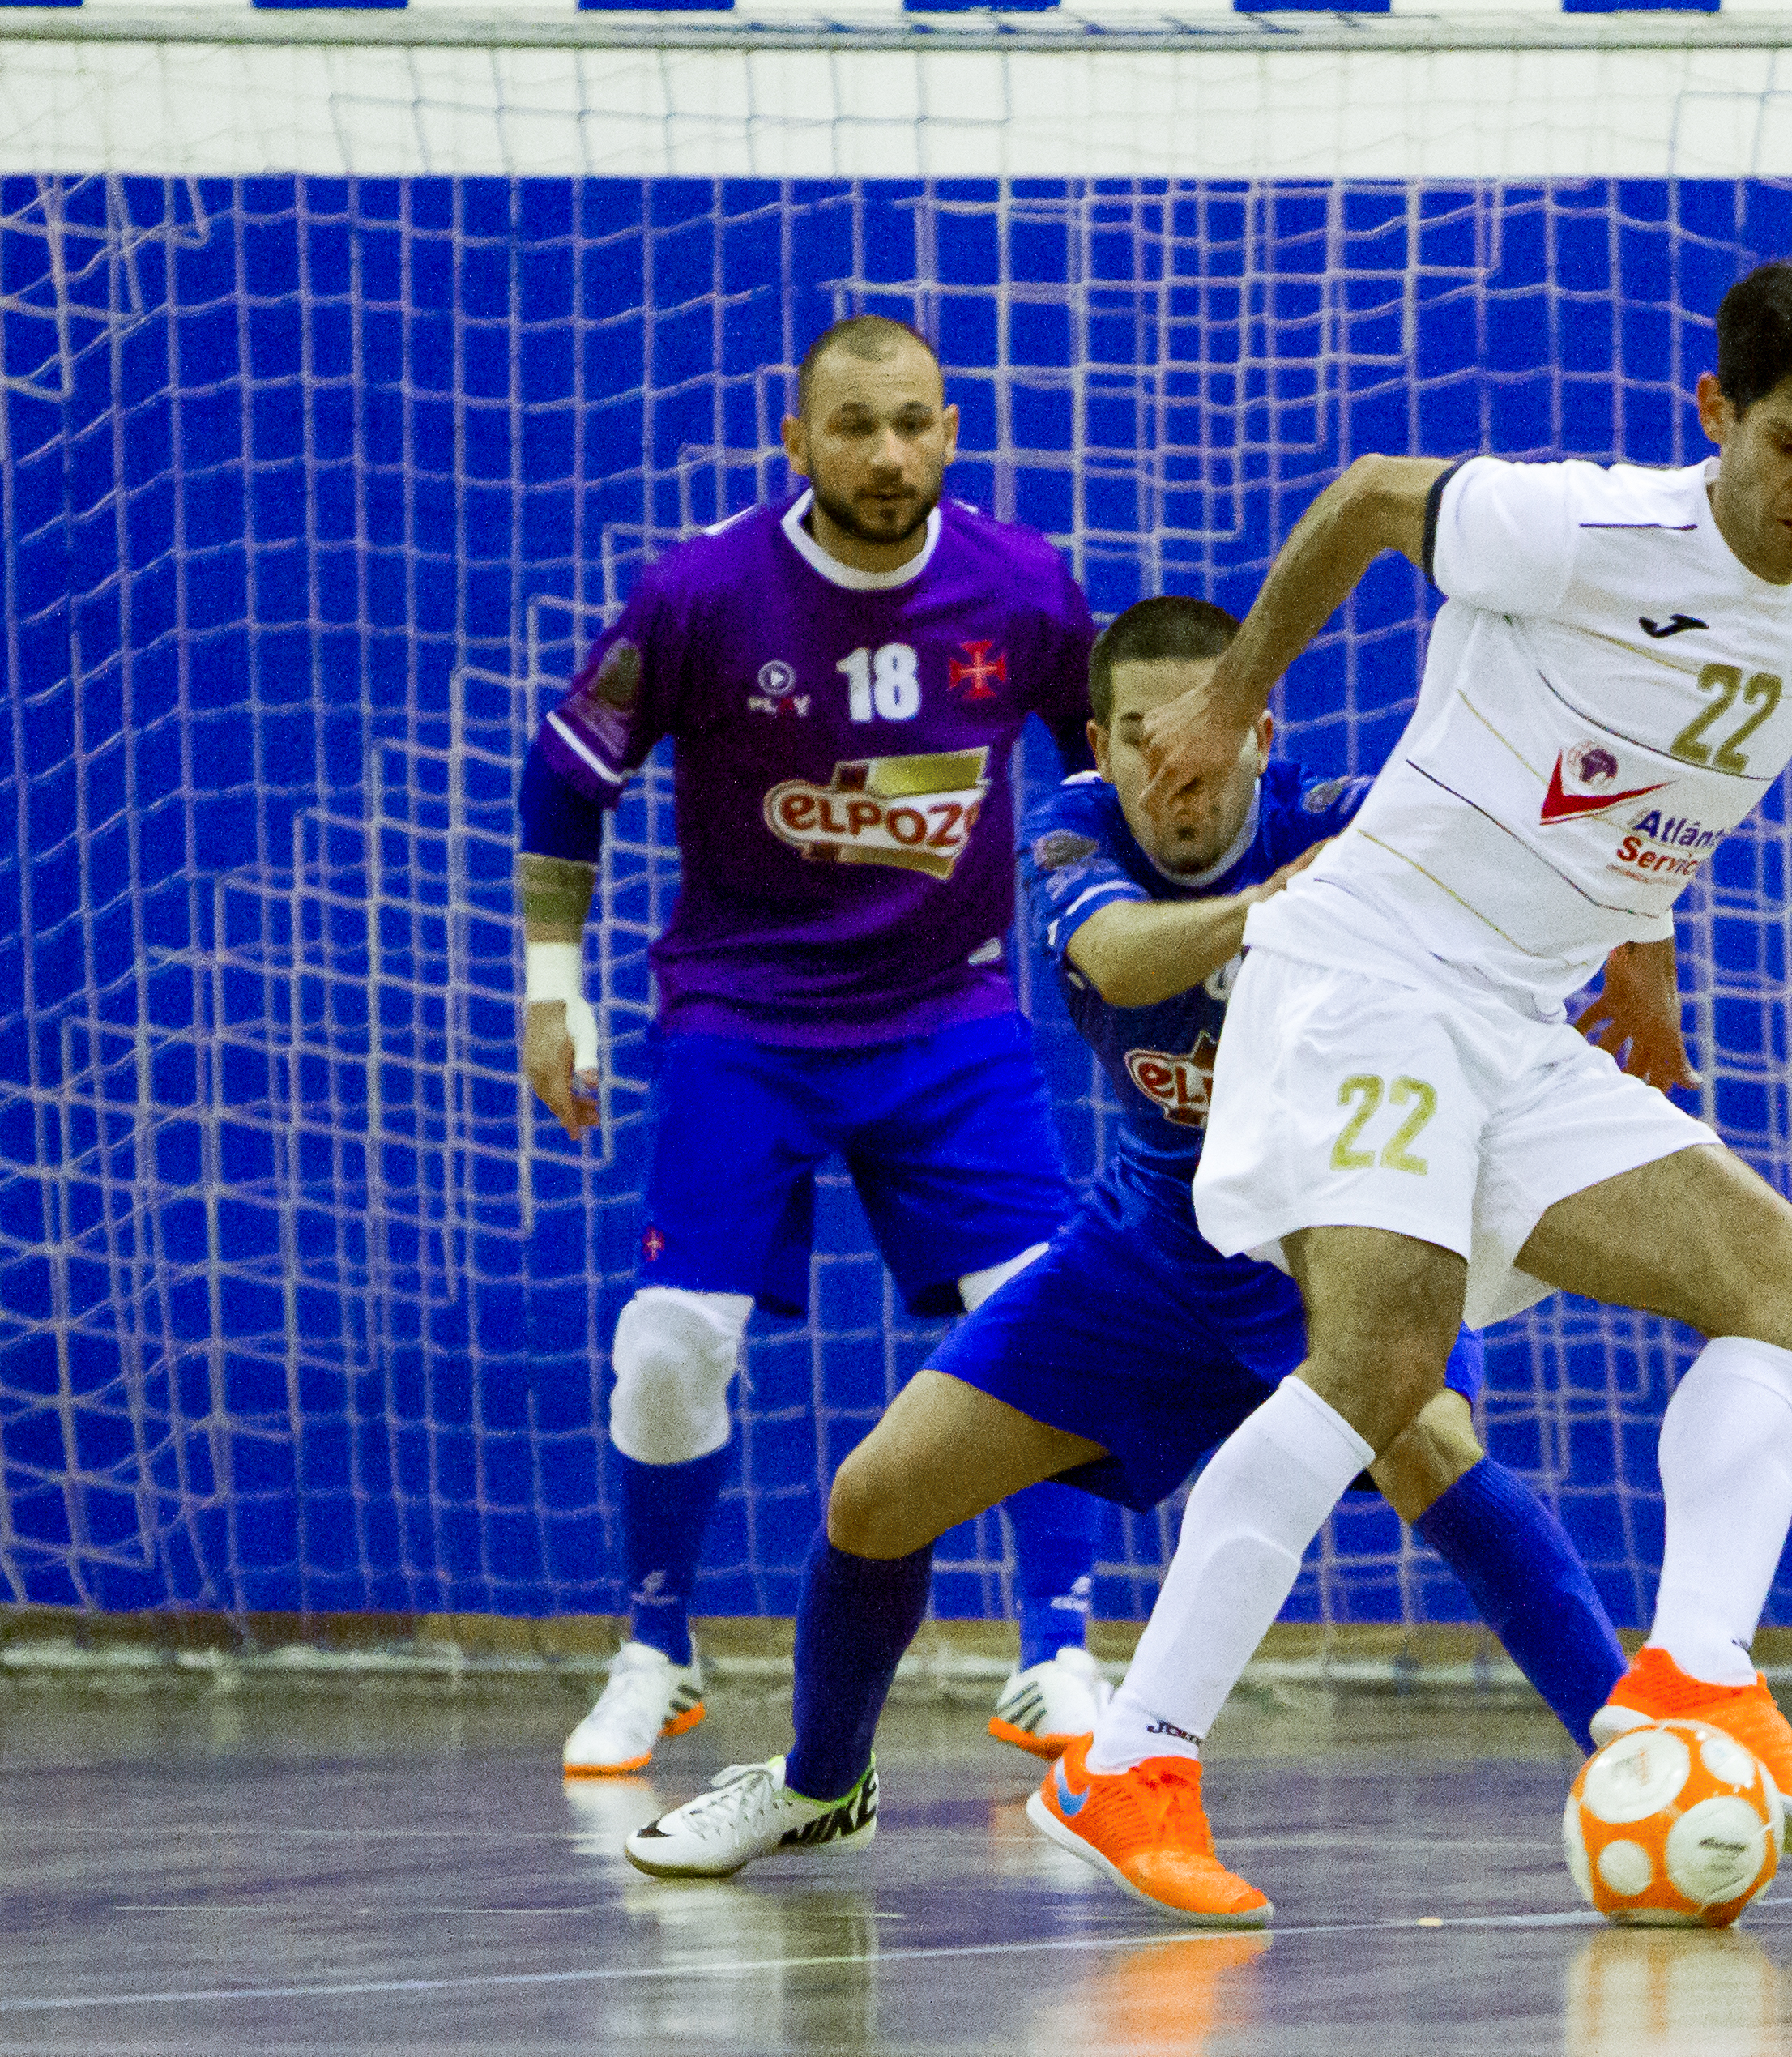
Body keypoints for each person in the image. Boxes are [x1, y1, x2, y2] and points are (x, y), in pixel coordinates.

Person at [1030, 255, 1792, 1923]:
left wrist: (1643, 950)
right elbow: (1370, 498)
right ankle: (1131, 1750)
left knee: (1789, 1290)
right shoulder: (1576, 527)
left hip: (1514, 1013)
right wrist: (1226, 704)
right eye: (1790, 446)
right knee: (1379, 1361)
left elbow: (1676, 768)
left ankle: (1697, 1677)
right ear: (1718, 412)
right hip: (1369, 973)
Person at [616, 595, 1649, 1900]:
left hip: (1330, 1252)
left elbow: (1558, 850)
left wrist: (1627, 950)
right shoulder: (1075, 837)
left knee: (1430, 1446)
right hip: (1146, 1259)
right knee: (871, 1501)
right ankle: (822, 1786)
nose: (1178, 775)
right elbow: (1117, 952)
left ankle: (1637, 1751)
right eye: (1142, 744)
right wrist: (1272, 914)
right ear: (1096, 749)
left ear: (1261, 733)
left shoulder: (1354, 823)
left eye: (1208, 739)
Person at [521, 314, 1116, 1776]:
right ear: (796, 442)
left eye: (912, 422)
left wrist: (1131, 940)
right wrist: (553, 987)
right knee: (668, 1346)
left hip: (952, 1017)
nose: (886, 453)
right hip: (744, 1015)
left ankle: (1060, 1652)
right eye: (853, 426)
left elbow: (1108, 762)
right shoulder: (700, 593)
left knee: (1046, 1312)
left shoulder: (1023, 587)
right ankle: (654, 1651)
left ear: (953, 431)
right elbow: (563, 776)